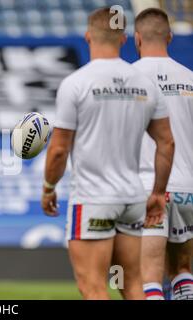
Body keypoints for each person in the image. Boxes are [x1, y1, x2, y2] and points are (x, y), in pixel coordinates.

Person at [41, 7, 175, 300]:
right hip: (132, 199)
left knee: (93, 287)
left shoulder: (76, 83)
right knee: (132, 284)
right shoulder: (145, 84)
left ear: (88, 36)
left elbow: (59, 149)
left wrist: (49, 188)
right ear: (125, 39)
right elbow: (166, 143)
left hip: (94, 200)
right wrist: (157, 193)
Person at [133, 8, 193, 300]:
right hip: (187, 189)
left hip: (148, 188)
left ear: (136, 39)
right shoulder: (190, 79)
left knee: (149, 275)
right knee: (182, 269)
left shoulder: (127, 81)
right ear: (169, 37)